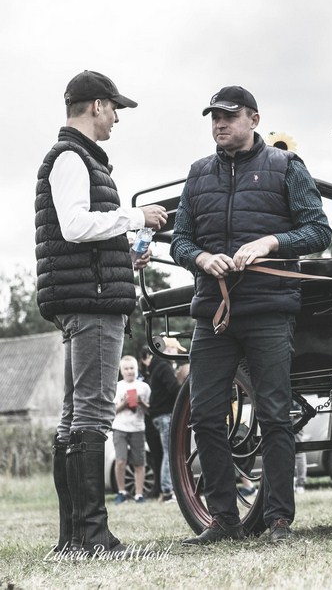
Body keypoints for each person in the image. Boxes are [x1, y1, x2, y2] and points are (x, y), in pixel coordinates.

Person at [170, 85, 331, 545]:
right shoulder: (198, 174)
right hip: (213, 314)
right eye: (214, 118)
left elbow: (317, 229)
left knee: (275, 414)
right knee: (204, 415)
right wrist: (201, 259)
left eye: (229, 116)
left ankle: (279, 520)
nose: (219, 124)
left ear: (254, 120)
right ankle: (223, 520)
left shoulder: (285, 167)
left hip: (269, 310)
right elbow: (180, 239)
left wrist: (270, 242)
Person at [35, 70, 167, 554]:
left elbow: (81, 238)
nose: (116, 118)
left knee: (73, 416)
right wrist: (136, 217)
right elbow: (73, 225)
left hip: (81, 295)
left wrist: (124, 256)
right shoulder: (73, 157)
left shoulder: (72, 156)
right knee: (91, 413)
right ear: (95, 106)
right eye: (114, 109)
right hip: (91, 306)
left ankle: (73, 538)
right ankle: (92, 536)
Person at [139, 340, 182, 503]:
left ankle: (167, 490)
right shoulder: (164, 366)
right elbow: (173, 389)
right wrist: (186, 391)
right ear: (168, 348)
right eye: (175, 349)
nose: (177, 353)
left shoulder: (156, 366)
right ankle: (167, 491)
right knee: (169, 452)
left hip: (157, 415)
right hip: (164, 414)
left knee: (166, 452)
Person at [111, 355, 151, 504]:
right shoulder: (117, 387)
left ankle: (139, 495)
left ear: (137, 369)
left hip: (138, 427)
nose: (129, 371)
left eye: (132, 368)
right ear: (121, 371)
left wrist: (140, 402)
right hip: (120, 427)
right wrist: (124, 403)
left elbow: (149, 411)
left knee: (139, 462)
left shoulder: (144, 387)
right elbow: (112, 411)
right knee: (120, 460)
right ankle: (121, 492)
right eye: (126, 369)